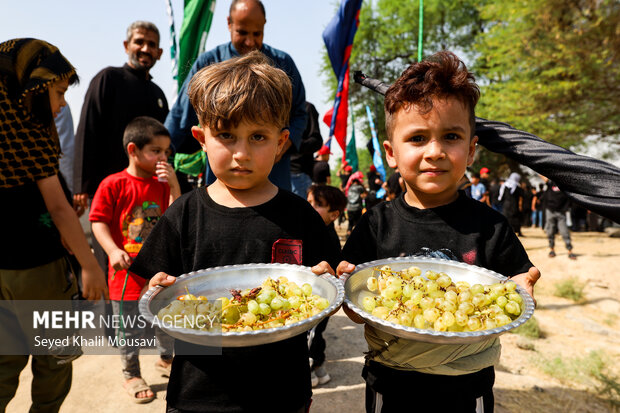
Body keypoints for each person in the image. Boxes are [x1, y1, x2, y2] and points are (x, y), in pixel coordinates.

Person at [128, 52, 341, 413]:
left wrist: (328, 279)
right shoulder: (185, 214)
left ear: (281, 143)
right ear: (200, 138)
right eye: (226, 135)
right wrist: (157, 290)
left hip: (280, 391)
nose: (241, 152)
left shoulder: (300, 216)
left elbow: (329, 283)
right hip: (199, 391)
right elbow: (148, 293)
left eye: (257, 136)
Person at [337, 51, 540, 413]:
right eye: (417, 139)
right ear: (391, 153)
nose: (435, 152)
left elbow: (517, 279)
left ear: (472, 149)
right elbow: (355, 302)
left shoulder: (490, 224)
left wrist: (524, 283)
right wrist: (348, 290)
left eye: (450, 136)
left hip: (468, 390)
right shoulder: (375, 223)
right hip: (390, 386)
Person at [0, 38, 108, 413]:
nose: (62, 104)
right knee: (55, 359)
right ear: (31, 89)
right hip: (38, 269)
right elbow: (60, 211)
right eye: (58, 92)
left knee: (3, 363)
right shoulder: (29, 137)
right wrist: (90, 266)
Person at [165, 0, 306, 191]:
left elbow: (300, 113)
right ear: (229, 24)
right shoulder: (208, 63)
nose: (250, 42)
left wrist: (281, 148)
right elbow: (181, 115)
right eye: (242, 33)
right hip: (221, 183)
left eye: (257, 34)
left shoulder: (283, 63)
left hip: (273, 177)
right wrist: (160, 151)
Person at [89, 117, 180, 403]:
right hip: (125, 274)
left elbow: (176, 215)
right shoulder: (112, 184)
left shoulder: (163, 185)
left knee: (165, 320)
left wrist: (175, 183)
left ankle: (166, 360)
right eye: (156, 151)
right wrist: (113, 250)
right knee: (129, 328)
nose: (163, 158)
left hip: (157, 272)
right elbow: (98, 222)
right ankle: (131, 373)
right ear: (133, 150)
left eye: (167, 152)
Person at [74, 21, 168, 205]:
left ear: (159, 53)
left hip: (148, 192)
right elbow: (88, 129)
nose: (145, 49)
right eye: (139, 42)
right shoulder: (108, 78)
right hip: (107, 189)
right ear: (126, 46)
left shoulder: (159, 94)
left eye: (152, 45)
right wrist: (81, 185)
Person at [306, 184, 347, 387]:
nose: (310, 207)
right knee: (316, 333)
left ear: (334, 214)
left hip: (318, 296)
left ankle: (313, 370)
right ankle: (320, 368)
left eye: (318, 204)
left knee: (311, 334)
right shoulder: (315, 230)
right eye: (309, 202)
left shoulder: (324, 237)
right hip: (315, 295)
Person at [290, 102, 323, 197]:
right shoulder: (273, 106)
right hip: (273, 174)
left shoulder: (306, 108)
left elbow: (316, 141)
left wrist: (291, 143)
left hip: (298, 174)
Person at [542, 179, 577, 259]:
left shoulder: (566, 184)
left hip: (561, 212)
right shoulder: (551, 182)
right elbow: (542, 175)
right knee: (550, 231)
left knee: (564, 232)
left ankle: (570, 251)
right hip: (550, 210)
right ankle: (552, 249)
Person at [344, 172, 366, 238]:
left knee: (350, 223)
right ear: (358, 182)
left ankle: (348, 235)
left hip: (349, 208)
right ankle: (357, 237)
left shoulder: (349, 188)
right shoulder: (359, 187)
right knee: (357, 223)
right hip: (357, 208)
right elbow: (364, 193)